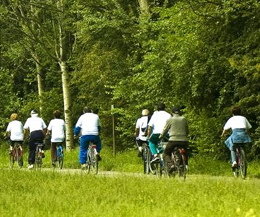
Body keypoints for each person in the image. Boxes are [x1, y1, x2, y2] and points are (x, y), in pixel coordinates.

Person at [159, 107, 189, 173]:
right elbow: (187, 130)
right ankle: (185, 165)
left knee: (166, 153)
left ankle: (171, 165)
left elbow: (165, 130)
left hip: (173, 140)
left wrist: (161, 136)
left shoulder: (170, 120)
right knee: (185, 152)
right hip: (183, 140)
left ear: (172, 113)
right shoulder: (184, 119)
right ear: (179, 112)